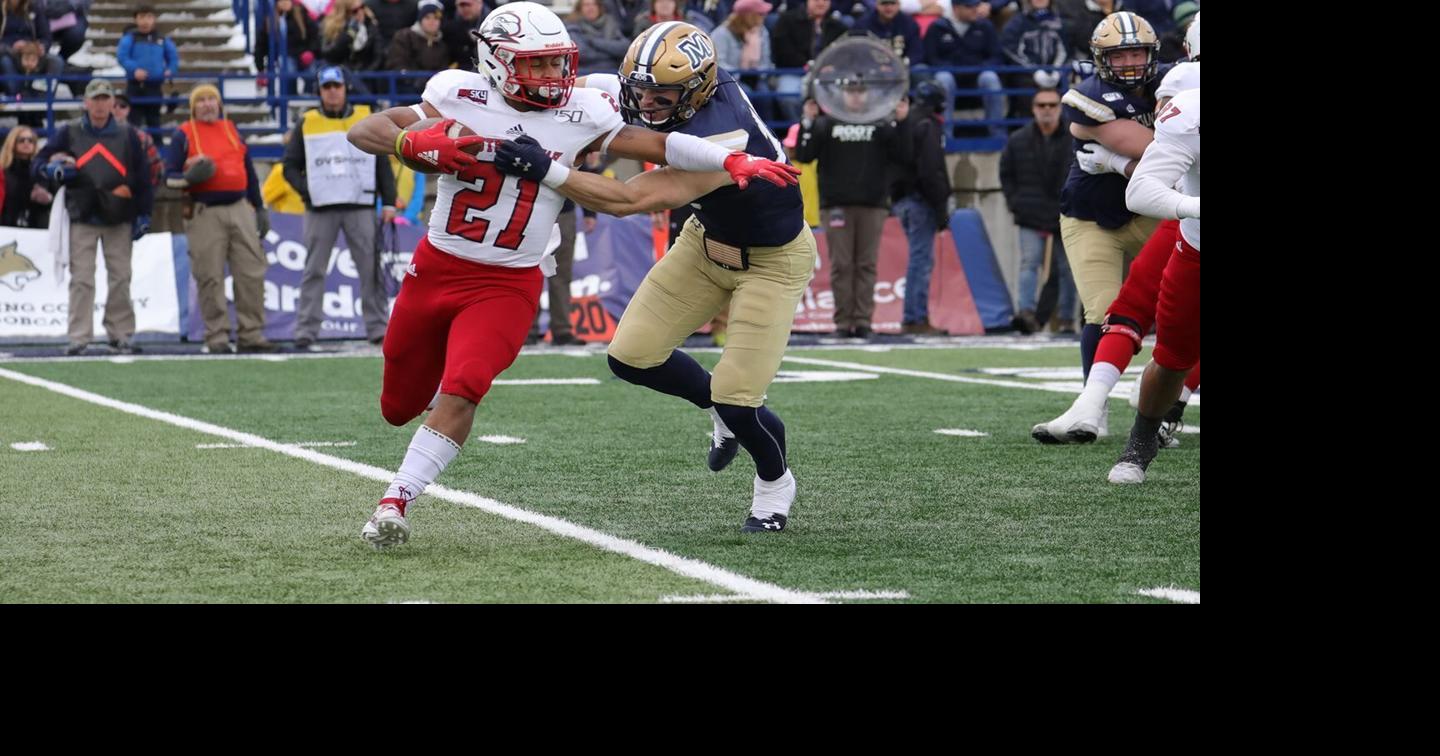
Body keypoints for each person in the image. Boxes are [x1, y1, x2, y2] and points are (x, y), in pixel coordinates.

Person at [343, 3, 798, 547]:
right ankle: (718, 407)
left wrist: (727, 163)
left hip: (519, 280)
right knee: (400, 406)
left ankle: (395, 501)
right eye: (535, 65)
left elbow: (644, 173)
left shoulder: (620, 116)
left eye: (557, 65)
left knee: (464, 390)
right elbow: (365, 129)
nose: (552, 78)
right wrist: (411, 143)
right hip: (444, 265)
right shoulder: (461, 92)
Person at [1108, 86, 1198, 485]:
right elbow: (1140, 190)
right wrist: (1196, 208)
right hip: (1199, 250)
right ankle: (1141, 441)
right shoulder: (1192, 110)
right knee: (1172, 358)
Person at [35, 79, 155, 355]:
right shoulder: (69, 132)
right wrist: (54, 170)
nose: (100, 105)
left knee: (121, 277)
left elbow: (142, 177)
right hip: (83, 213)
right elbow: (39, 162)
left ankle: (121, 333)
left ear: (113, 103)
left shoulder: (128, 135)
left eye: (105, 99)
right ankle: (79, 337)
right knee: (82, 279)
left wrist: (144, 213)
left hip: (119, 213)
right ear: (86, 103)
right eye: (95, 99)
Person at [285, 65, 398, 350]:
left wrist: (388, 201)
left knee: (370, 269)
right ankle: (306, 331)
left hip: (360, 205)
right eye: (327, 87)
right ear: (320, 91)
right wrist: (307, 192)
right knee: (313, 270)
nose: (333, 92)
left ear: (346, 88)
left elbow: (382, 161)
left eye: (337, 86)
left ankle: (378, 328)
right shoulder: (306, 122)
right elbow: (289, 166)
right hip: (320, 208)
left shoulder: (365, 116)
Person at [166, 84, 278, 354]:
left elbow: (247, 169)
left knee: (251, 272)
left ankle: (251, 333)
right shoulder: (183, 134)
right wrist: (190, 178)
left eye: (211, 99)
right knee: (210, 276)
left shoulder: (230, 128)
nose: (206, 104)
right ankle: (216, 336)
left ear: (219, 104)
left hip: (239, 207)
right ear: (193, 107)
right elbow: (169, 177)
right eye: (201, 100)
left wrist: (259, 206)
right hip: (205, 210)